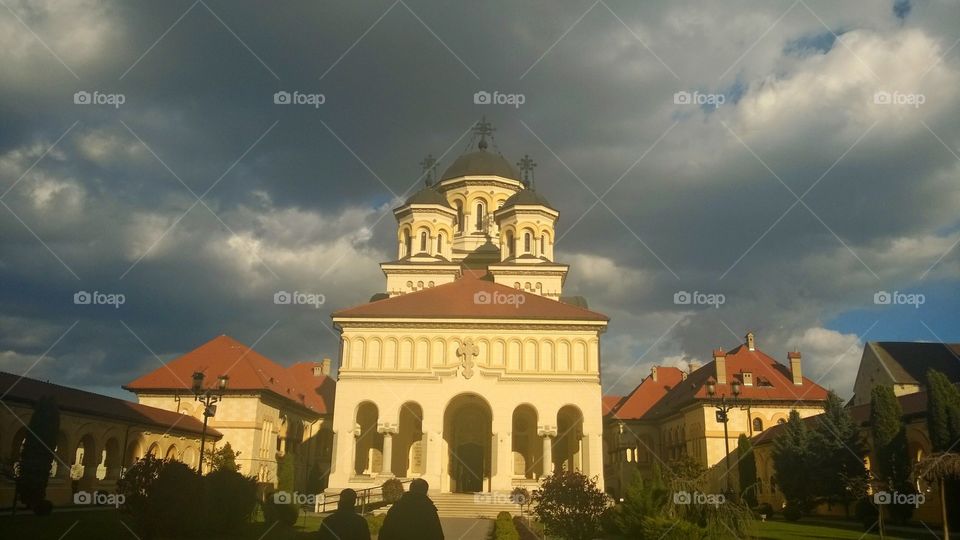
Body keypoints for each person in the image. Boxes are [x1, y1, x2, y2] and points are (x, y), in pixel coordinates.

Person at [378, 478, 444, 540]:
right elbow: (437, 535)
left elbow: (386, 533)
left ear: (410, 489)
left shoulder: (398, 507)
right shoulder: (429, 509)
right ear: (426, 491)